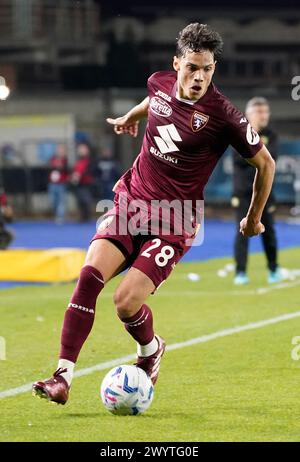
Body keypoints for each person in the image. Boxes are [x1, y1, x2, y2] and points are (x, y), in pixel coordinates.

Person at [32, 23, 275, 405]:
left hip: (175, 219)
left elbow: (266, 164)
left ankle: (151, 350)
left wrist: (254, 217)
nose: (199, 77)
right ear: (176, 63)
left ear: (214, 68)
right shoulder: (158, 82)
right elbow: (154, 102)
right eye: (192, 67)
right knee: (88, 278)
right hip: (131, 202)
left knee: (125, 302)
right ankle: (62, 375)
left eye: (207, 69)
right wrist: (132, 117)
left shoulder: (224, 116)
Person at [231, 97, 281, 285]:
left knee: (269, 232)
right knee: (242, 232)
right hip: (243, 193)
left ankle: (274, 269)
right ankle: (240, 273)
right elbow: (239, 159)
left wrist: (256, 144)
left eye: (265, 112)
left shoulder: (272, 135)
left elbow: (270, 160)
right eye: (259, 112)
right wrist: (256, 146)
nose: (263, 116)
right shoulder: (239, 134)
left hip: (265, 193)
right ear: (249, 115)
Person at [70, 143, 94, 222]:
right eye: (80, 149)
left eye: (83, 149)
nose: (81, 151)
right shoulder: (78, 161)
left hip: (86, 184)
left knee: (86, 200)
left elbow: (89, 171)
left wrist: (79, 176)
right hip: (79, 185)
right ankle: (83, 217)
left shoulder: (90, 161)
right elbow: (75, 171)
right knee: (80, 201)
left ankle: (87, 217)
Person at [48, 144, 69, 224]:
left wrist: (61, 167)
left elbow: (67, 170)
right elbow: (49, 168)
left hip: (61, 184)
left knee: (61, 201)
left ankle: (60, 216)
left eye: (61, 150)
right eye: (58, 149)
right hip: (52, 184)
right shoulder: (52, 159)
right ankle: (55, 214)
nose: (60, 151)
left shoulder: (65, 160)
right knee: (53, 201)